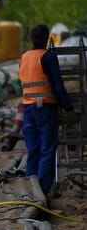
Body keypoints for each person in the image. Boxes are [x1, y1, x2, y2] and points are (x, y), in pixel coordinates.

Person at [18, 24, 79, 195]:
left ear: (31, 38)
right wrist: (68, 109)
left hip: (28, 108)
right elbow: (58, 86)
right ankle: (42, 191)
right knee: (47, 149)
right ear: (46, 38)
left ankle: (31, 189)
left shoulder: (24, 57)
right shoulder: (48, 56)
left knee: (33, 150)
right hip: (45, 108)